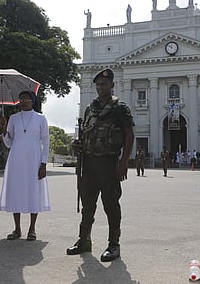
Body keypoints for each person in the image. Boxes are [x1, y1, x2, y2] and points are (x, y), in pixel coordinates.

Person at [67, 68, 134, 262]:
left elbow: (129, 135)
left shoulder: (120, 108)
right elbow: (86, 134)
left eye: (104, 84)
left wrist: (124, 163)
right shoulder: (90, 108)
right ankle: (84, 240)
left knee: (111, 204)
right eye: (97, 85)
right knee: (88, 205)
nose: (100, 87)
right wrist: (77, 145)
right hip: (88, 163)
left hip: (108, 162)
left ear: (112, 85)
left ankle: (114, 245)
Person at [0, 91, 50, 241]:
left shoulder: (40, 118)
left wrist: (44, 163)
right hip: (16, 160)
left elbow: (46, 141)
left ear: (33, 101)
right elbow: (9, 143)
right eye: (21, 99)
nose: (23, 101)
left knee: (33, 191)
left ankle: (32, 229)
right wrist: (3, 129)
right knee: (17, 191)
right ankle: (17, 229)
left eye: (27, 99)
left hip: (34, 159)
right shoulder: (13, 118)